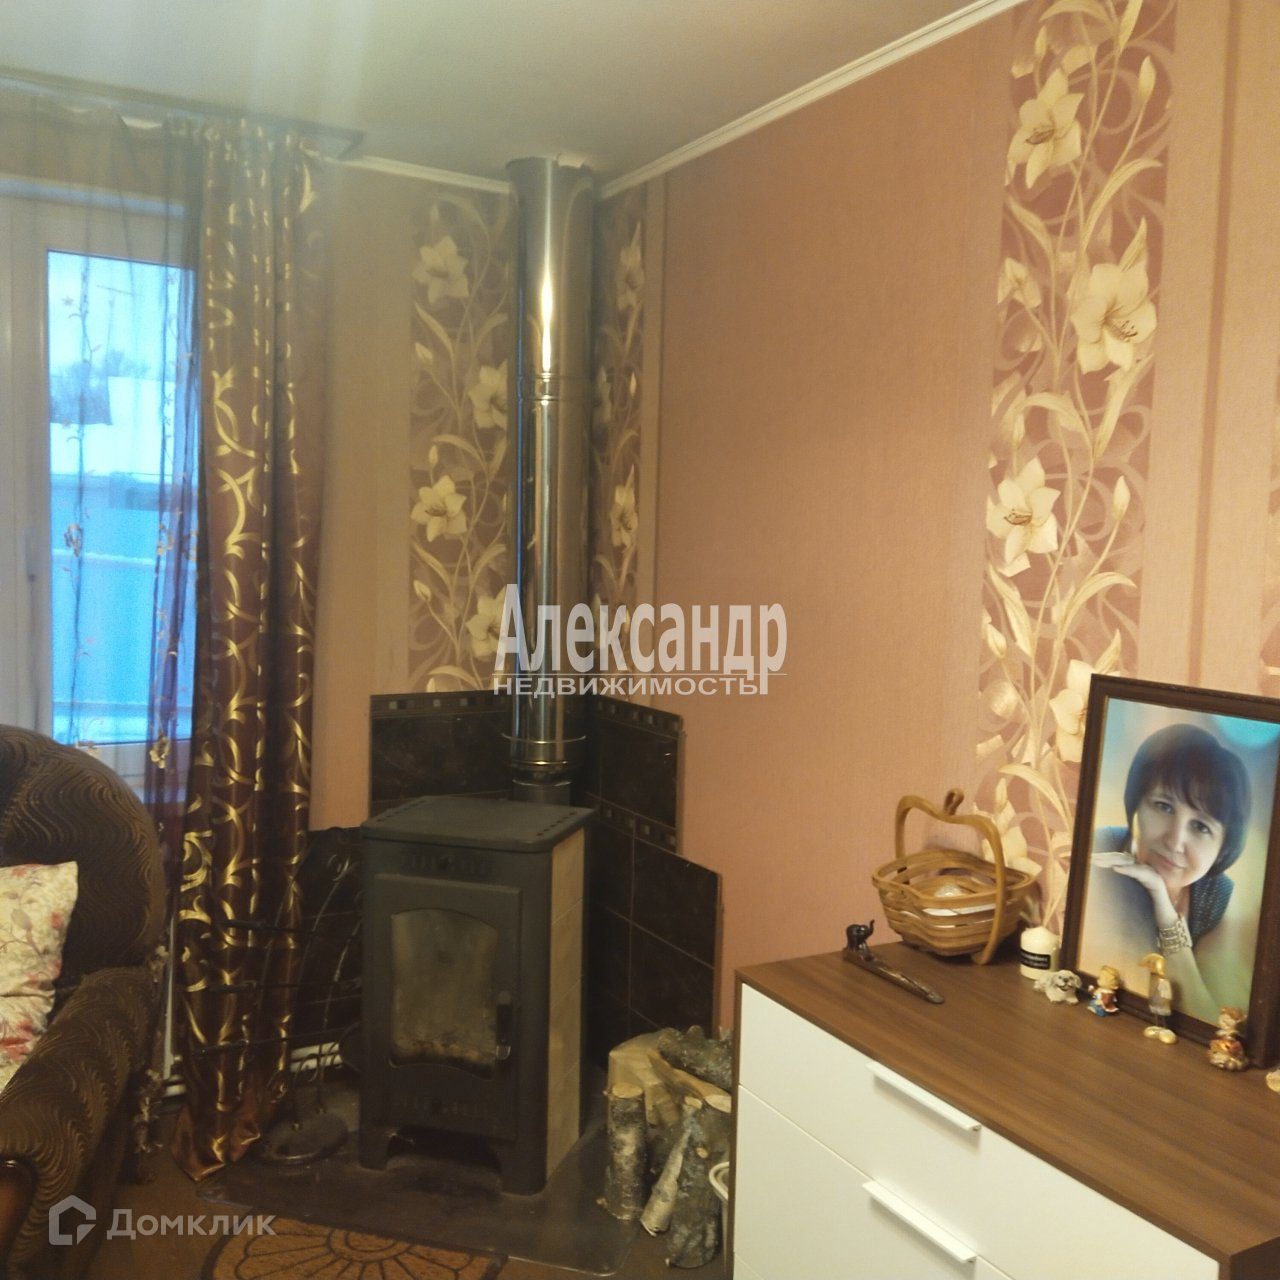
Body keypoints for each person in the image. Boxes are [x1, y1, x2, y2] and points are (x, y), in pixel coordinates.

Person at [1086, 723, 1251, 1024]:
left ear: (1223, 848)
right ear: (1136, 803)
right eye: (1163, 806)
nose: (1175, 842)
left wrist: (1165, 912)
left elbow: (1208, 1019)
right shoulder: (1097, 853)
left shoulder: (1217, 896)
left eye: (1200, 826)